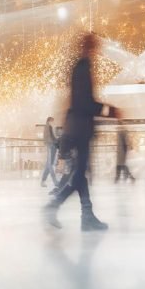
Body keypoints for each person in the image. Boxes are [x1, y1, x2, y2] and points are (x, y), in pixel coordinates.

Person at [43, 33, 120, 231]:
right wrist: (108, 110)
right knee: (78, 175)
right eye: (95, 45)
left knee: (80, 174)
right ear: (89, 46)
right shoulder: (83, 67)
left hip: (76, 127)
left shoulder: (81, 66)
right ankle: (55, 206)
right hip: (80, 129)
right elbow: (83, 103)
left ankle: (87, 214)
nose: (98, 50)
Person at [40, 117, 58, 187]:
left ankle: (43, 181)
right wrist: (55, 142)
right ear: (49, 121)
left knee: (48, 165)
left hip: (51, 146)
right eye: (52, 121)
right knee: (50, 165)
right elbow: (50, 138)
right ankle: (55, 182)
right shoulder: (48, 127)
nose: (53, 122)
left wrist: (56, 141)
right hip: (51, 147)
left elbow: (51, 137)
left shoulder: (48, 127)